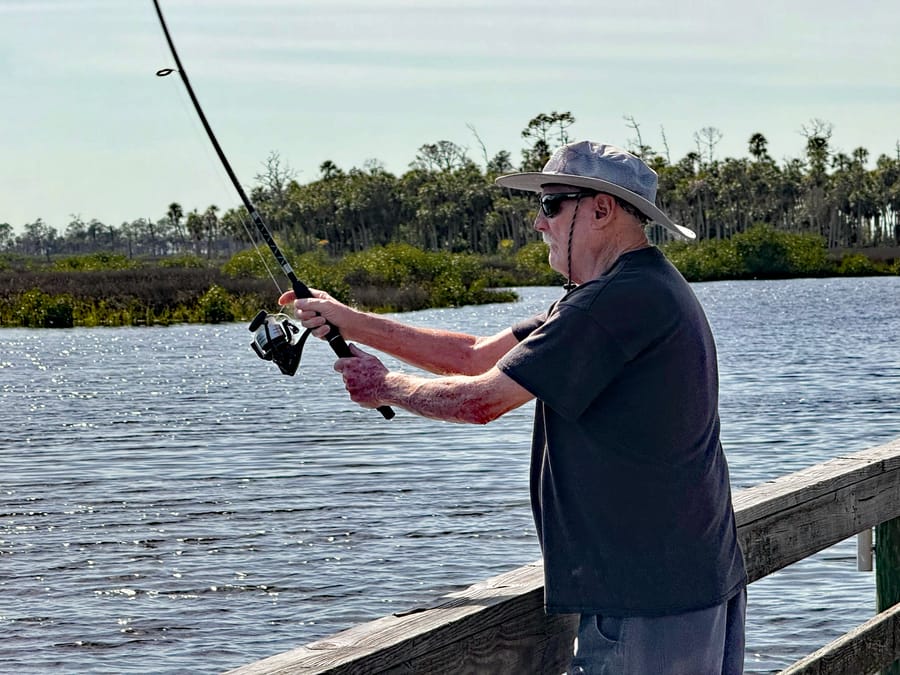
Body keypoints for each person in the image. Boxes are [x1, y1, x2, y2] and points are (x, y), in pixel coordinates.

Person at [279, 140, 747, 674]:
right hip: (677, 579)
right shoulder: (623, 290)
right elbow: (471, 355)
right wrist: (348, 319)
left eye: (551, 205)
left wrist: (387, 386)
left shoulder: (616, 302)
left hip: (649, 595)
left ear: (600, 210)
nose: (537, 222)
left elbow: (482, 400)